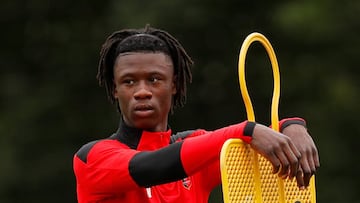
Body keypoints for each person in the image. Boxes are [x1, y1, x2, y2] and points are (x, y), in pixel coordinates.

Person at [73, 25, 320, 203]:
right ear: (115, 89)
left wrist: (293, 126)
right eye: (128, 82)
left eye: (154, 79)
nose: (142, 92)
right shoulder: (92, 158)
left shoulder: (196, 147)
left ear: (175, 85)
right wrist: (246, 130)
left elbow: (263, 143)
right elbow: (151, 167)